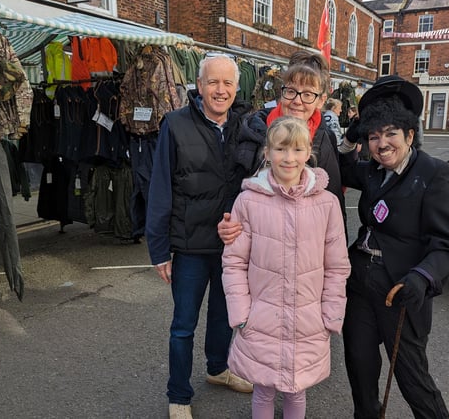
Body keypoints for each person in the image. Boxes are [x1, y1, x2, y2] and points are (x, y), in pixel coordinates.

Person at [338, 75, 449, 419]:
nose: (382, 144)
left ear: (409, 135)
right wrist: (352, 134)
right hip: (360, 283)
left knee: (412, 379)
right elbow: (342, 166)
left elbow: (447, 244)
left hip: (401, 289)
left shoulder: (432, 173)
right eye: (374, 136)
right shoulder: (374, 171)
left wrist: (422, 277)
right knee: (360, 367)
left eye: (391, 133)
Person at [145, 54, 259, 419]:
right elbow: (160, 188)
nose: (220, 90)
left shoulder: (246, 125)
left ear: (237, 87)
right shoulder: (175, 125)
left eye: (227, 83)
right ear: (199, 85)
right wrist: (159, 249)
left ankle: (217, 369)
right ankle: (178, 394)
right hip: (189, 245)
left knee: (226, 316)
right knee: (183, 325)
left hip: (230, 245)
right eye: (213, 82)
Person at [221, 116, 350, 418]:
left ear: (308, 153)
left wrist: (331, 313)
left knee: (297, 388)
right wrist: (240, 313)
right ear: (267, 153)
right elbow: (234, 262)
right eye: (280, 149)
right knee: (263, 389)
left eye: (296, 150)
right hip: (261, 317)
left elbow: (337, 266)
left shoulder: (327, 203)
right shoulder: (248, 201)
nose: (288, 158)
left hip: (309, 318)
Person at [218, 59, 345, 242]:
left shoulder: (325, 139)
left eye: (308, 94)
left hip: (307, 248)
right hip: (260, 244)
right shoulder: (253, 130)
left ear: (320, 101)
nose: (297, 101)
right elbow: (233, 186)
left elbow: (335, 202)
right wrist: (227, 218)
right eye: (291, 91)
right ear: (281, 92)